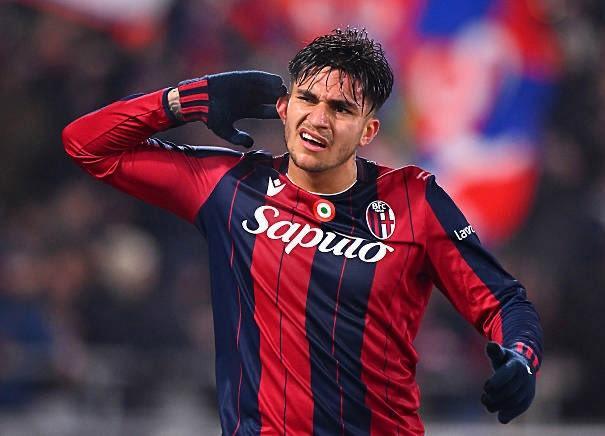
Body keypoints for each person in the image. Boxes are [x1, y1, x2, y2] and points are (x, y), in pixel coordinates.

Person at [63, 27, 542, 435]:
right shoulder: (229, 187)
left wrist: (521, 358)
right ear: (283, 106)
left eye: (341, 109)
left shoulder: (414, 201)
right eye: (307, 99)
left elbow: (503, 301)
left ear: (368, 131)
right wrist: (187, 99)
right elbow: (86, 144)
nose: (318, 119)